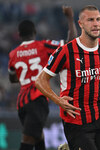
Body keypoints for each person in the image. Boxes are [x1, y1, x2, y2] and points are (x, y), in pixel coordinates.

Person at [35, 5, 100, 150]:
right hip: (76, 120)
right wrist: (58, 100)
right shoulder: (66, 51)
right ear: (81, 24)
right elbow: (40, 81)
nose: (95, 23)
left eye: (98, 19)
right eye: (90, 20)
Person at [8, 6, 77, 150]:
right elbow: (71, 43)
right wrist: (70, 18)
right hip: (37, 99)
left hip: (21, 103)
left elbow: (12, 78)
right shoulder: (42, 46)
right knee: (27, 140)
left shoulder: (13, 54)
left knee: (38, 136)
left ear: (19, 35)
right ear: (34, 32)